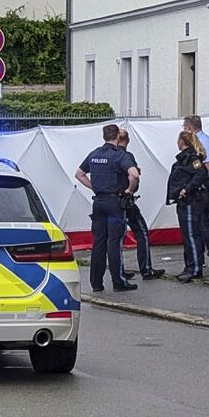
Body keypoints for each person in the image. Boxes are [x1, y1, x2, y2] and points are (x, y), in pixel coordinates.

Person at [76, 123, 140, 292]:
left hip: (98, 203)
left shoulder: (94, 154)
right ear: (118, 137)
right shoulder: (119, 155)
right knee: (114, 242)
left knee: (99, 243)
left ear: (104, 136)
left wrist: (94, 187)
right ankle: (118, 282)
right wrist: (129, 189)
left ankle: (96, 283)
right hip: (115, 203)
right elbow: (134, 174)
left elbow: (79, 174)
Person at [115, 129, 165, 280]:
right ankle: (146, 269)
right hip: (126, 200)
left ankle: (120, 271)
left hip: (111, 200)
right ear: (127, 140)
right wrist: (130, 189)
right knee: (141, 232)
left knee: (117, 238)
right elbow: (133, 175)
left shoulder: (107, 154)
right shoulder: (126, 156)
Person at [166, 131, 209, 283]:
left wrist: (187, 189)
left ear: (182, 142)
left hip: (192, 201)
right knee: (187, 235)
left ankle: (196, 268)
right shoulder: (183, 159)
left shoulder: (192, 158)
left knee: (192, 235)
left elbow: (201, 173)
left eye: (178, 140)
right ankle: (189, 266)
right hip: (183, 202)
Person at [184, 115, 209, 268]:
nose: (184, 130)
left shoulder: (204, 141)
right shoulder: (196, 141)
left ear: (190, 127)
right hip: (196, 186)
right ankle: (202, 257)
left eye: (185, 127)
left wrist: (196, 178)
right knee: (199, 223)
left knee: (203, 223)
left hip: (202, 187)